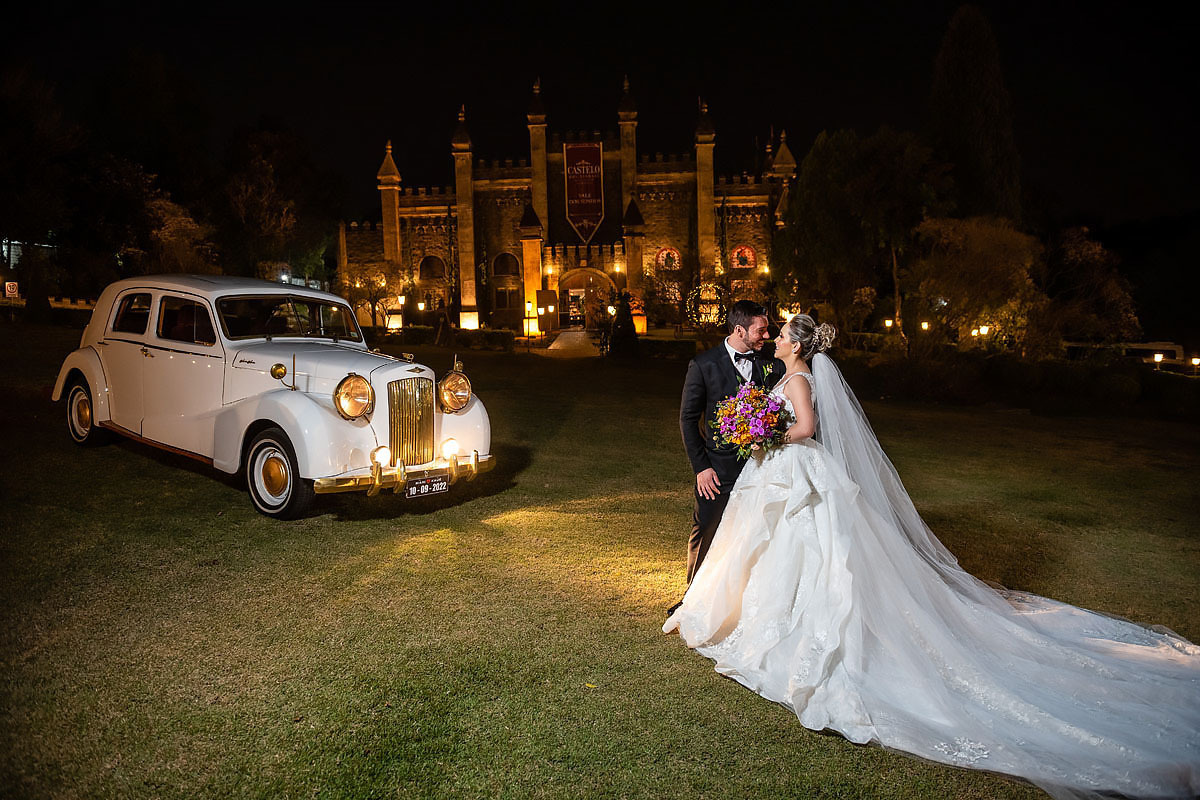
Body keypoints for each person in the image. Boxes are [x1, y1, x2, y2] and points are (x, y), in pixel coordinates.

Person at [664, 313, 1199, 800]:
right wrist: (756, 429)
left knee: (814, 551)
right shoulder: (783, 373)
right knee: (777, 548)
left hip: (796, 467)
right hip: (780, 471)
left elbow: (806, 428)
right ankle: (759, 610)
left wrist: (769, 433)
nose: (775, 339)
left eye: (782, 335)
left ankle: (799, 625)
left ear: (798, 346)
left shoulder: (799, 379)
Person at [675, 300, 783, 614]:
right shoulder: (703, 364)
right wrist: (701, 468)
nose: (767, 335)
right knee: (707, 528)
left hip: (762, 466)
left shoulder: (772, 361)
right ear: (739, 330)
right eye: (761, 330)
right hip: (717, 469)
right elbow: (688, 419)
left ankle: (747, 603)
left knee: (760, 532)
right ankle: (692, 601)